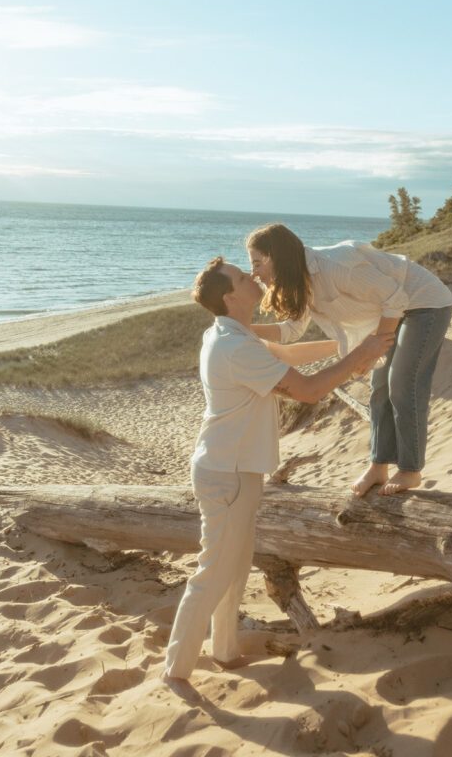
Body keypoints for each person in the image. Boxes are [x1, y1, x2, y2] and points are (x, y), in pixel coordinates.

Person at [161, 256, 393, 697]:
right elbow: (306, 391)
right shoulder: (234, 346)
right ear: (230, 296)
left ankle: (225, 651)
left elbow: (287, 354)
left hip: (235, 469)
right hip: (226, 471)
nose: (254, 279)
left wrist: (349, 344)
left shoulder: (232, 334)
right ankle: (175, 669)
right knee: (213, 571)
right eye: (244, 278)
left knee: (233, 566)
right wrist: (361, 355)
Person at [246, 224, 452, 497]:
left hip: (424, 301)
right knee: (379, 387)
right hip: (392, 310)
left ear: (279, 256)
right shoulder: (299, 278)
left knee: (403, 383)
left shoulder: (335, 265)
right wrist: (241, 328)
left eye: (258, 263)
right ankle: (378, 466)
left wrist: (373, 350)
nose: (254, 273)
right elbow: (291, 331)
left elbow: (396, 297)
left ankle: (410, 470)